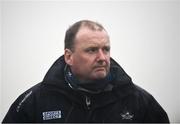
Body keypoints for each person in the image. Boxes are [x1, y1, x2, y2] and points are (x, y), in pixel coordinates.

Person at [3, 20, 169, 123]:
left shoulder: (139, 102)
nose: (102, 57)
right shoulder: (33, 103)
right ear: (69, 56)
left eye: (106, 49)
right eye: (91, 50)